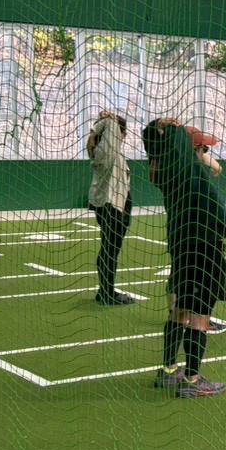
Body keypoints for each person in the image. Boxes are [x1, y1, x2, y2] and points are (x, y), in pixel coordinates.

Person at [143, 119, 226, 398]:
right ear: (190, 148)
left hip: (181, 246)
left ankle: (169, 369)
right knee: (200, 317)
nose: (205, 152)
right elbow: (222, 217)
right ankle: (193, 379)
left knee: (179, 310)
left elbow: (151, 137)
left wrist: (160, 127)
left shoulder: (165, 172)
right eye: (202, 148)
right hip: (204, 248)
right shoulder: (195, 174)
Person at [86, 106, 134, 306]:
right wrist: (108, 119)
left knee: (109, 248)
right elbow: (108, 128)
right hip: (112, 207)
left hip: (109, 206)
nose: (124, 136)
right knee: (110, 250)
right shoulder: (108, 152)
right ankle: (107, 293)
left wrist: (97, 128)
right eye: (122, 132)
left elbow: (94, 137)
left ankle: (105, 290)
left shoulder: (101, 152)